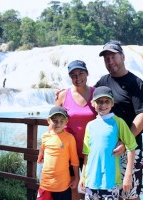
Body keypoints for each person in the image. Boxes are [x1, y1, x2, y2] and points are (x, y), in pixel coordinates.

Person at [95, 41, 143, 200]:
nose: (110, 61)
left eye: (113, 56)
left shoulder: (136, 83)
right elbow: (89, 101)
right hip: (108, 150)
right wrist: (64, 96)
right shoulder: (102, 82)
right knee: (111, 194)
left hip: (131, 149)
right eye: (106, 58)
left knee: (131, 195)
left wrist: (124, 141)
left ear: (122, 56)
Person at [79, 86, 137, 200]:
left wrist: (128, 175)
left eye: (107, 101)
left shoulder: (118, 122)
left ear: (112, 104)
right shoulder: (90, 125)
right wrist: (83, 177)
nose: (103, 104)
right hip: (91, 181)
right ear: (93, 103)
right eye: (99, 101)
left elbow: (131, 147)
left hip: (110, 182)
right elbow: (87, 154)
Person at [56, 60, 97, 199]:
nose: (77, 78)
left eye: (81, 73)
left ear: (87, 74)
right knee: (72, 187)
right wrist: (47, 145)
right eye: (73, 75)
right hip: (68, 152)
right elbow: (53, 120)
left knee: (91, 188)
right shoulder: (63, 95)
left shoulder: (96, 94)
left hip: (91, 151)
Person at [37, 106, 79, 200]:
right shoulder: (45, 136)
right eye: (55, 120)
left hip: (63, 185)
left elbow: (74, 161)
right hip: (45, 184)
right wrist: (40, 155)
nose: (58, 124)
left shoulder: (69, 138)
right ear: (48, 120)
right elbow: (43, 148)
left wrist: (76, 178)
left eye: (61, 121)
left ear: (66, 121)